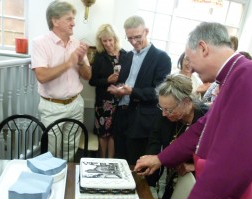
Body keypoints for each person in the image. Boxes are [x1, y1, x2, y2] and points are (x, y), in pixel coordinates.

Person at [134, 22, 252, 199]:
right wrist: (160, 158)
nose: (190, 68)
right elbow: (201, 129)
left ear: (203, 48)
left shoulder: (251, 76)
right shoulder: (234, 77)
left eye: (190, 60)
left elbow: (237, 159)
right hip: (224, 198)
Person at [107, 15, 171, 165]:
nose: (133, 42)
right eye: (129, 38)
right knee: (119, 160)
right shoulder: (128, 56)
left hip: (142, 120)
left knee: (136, 165)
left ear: (146, 31)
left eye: (137, 37)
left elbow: (159, 92)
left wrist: (131, 91)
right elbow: (124, 81)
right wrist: (118, 89)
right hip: (122, 114)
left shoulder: (161, 58)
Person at [31, 1, 91, 159]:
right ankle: (53, 182)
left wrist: (80, 62)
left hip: (76, 104)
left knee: (70, 150)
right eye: (69, 19)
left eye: (73, 19)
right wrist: (68, 63)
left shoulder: (77, 44)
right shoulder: (40, 43)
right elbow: (42, 76)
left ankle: (67, 182)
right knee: (51, 152)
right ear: (55, 21)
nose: (74, 23)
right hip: (52, 107)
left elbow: (87, 76)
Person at [146, 73, 208, 199]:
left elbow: (219, 160)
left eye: (168, 110)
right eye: (161, 108)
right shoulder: (166, 114)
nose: (163, 114)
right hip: (173, 179)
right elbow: (155, 141)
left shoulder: (206, 118)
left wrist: (193, 167)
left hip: (199, 185)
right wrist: (150, 169)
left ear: (186, 102)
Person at [89, 24, 127, 158]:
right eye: (104, 41)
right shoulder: (99, 57)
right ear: (100, 41)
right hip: (104, 103)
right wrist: (107, 80)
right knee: (103, 134)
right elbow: (92, 81)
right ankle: (102, 160)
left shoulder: (125, 55)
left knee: (114, 134)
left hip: (121, 101)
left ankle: (110, 161)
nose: (108, 44)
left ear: (115, 39)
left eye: (110, 40)